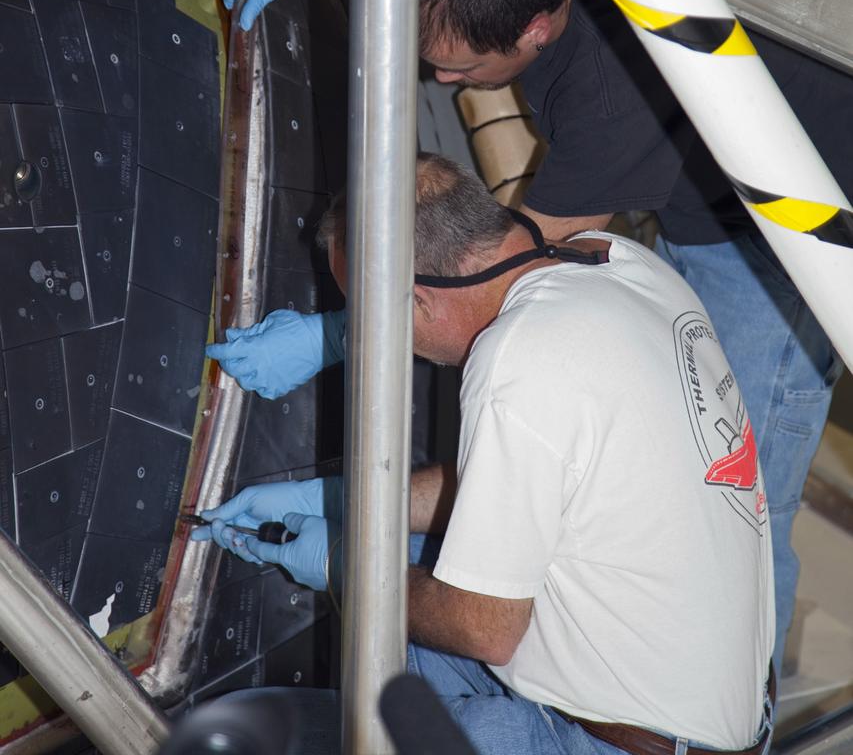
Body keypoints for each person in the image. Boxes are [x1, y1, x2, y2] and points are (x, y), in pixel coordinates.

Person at [214, 0, 848, 672]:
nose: (440, 80)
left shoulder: (617, 95)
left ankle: (733, 703)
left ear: (536, 30)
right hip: (694, 186)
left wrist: (343, 335)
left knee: (738, 497)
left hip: (781, 242)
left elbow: (499, 270)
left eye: (461, 67)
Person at [199, 155, 775, 755]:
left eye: (367, 319)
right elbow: (544, 482)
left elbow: (483, 627)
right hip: (691, 693)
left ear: (418, 301)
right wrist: (352, 501)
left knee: (246, 735)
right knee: (404, 559)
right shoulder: (613, 261)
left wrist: (350, 568)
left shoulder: (516, 360)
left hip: (622, 741)